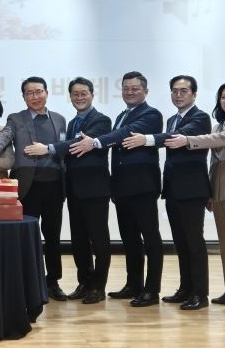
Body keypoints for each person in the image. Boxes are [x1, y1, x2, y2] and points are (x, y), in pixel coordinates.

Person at [69, 71, 163, 307]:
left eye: (135, 88)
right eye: (126, 88)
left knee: (150, 238)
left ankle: (152, 290)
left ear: (145, 91)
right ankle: (134, 284)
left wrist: (96, 142)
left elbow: (123, 134)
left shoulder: (151, 114)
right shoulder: (121, 115)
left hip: (142, 185)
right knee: (130, 239)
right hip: (121, 187)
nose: (130, 92)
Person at [0, 77, 68, 301]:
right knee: (26, 235)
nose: (35, 96)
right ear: (24, 97)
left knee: (53, 236)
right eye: (29, 93)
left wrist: (50, 149)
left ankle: (53, 281)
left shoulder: (59, 119)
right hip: (27, 186)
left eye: (38, 92)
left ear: (46, 93)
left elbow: (64, 147)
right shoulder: (16, 119)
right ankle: (27, 281)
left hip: (54, 185)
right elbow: (3, 137)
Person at [165, 81, 225, 314]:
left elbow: (220, 140)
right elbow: (213, 160)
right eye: (224, 97)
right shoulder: (218, 125)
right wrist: (209, 192)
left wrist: (188, 140)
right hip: (218, 187)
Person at [123, 75, 212, 310]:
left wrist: (146, 139)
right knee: (181, 242)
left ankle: (200, 294)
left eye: (184, 91)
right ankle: (185, 289)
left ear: (194, 94)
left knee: (194, 242)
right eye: (175, 91)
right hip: (173, 189)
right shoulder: (172, 119)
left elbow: (175, 140)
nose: (178, 95)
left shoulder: (200, 117)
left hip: (192, 190)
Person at [26, 77, 112, 304]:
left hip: (94, 190)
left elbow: (76, 145)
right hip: (73, 190)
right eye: (75, 94)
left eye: (84, 93)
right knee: (79, 239)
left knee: (99, 239)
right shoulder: (71, 122)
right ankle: (84, 282)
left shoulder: (101, 121)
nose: (79, 97)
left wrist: (48, 148)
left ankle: (98, 286)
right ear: (70, 97)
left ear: (92, 95)